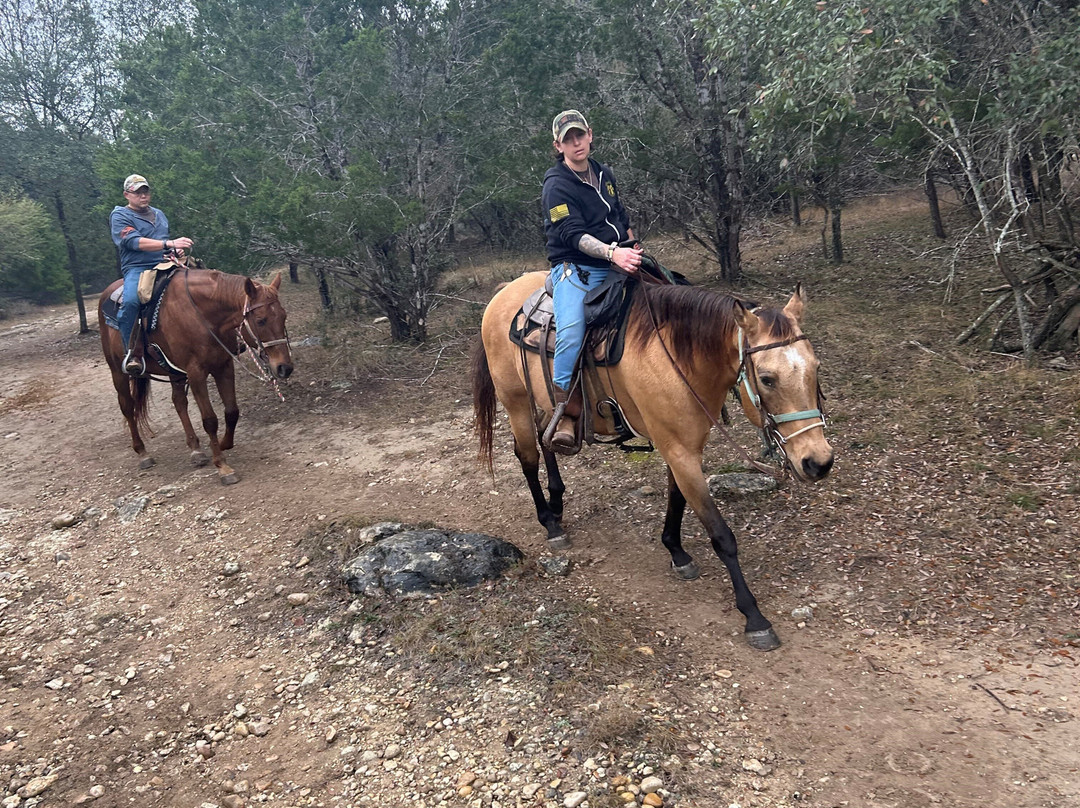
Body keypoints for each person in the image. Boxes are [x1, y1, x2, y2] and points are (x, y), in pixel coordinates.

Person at [541, 109, 643, 454]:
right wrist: (614, 255)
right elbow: (570, 234)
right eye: (567, 139)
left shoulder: (604, 173)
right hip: (577, 266)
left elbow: (620, 215)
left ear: (590, 135)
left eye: (579, 135)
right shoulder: (556, 186)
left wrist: (632, 247)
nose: (575, 143)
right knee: (571, 330)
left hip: (620, 257)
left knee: (670, 294)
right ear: (558, 145)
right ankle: (566, 409)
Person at [110, 174, 194, 375]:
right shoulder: (120, 215)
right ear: (126, 194)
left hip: (165, 263)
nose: (143, 195)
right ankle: (133, 353)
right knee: (130, 301)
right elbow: (133, 242)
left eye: (145, 191)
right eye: (137, 192)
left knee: (203, 283)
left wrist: (174, 252)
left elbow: (164, 243)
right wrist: (169, 244)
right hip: (138, 267)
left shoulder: (159, 214)